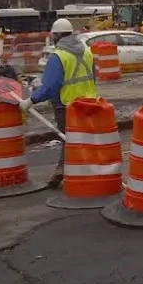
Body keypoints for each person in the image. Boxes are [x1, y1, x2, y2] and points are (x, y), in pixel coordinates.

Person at [19, 18, 98, 188]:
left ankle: (64, 172)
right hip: (90, 103)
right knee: (82, 139)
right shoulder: (86, 51)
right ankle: (79, 172)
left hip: (67, 105)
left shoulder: (58, 56)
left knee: (69, 140)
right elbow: (93, 76)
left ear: (56, 36)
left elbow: (50, 87)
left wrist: (31, 100)